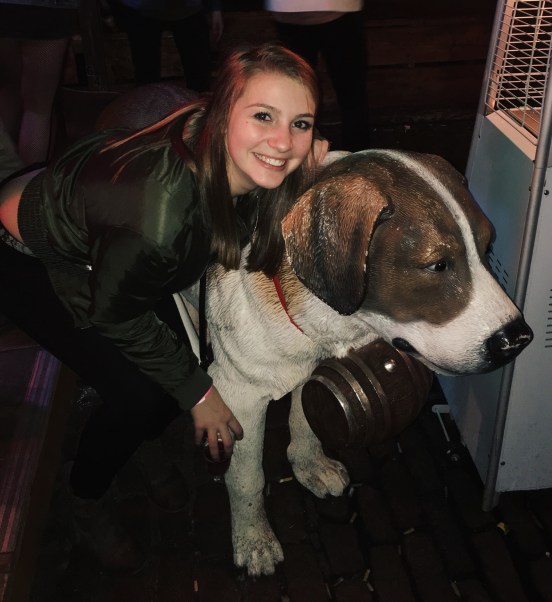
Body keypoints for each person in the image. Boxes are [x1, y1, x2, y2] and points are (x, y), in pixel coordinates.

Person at [0, 42, 328, 571]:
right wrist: (200, 394)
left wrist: (304, 172)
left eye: (301, 123)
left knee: (175, 369)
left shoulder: (233, 157)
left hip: (104, 233)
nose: (283, 141)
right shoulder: (162, 219)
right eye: (264, 116)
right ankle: (85, 496)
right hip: (33, 256)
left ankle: (137, 437)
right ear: (223, 112)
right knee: (144, 395)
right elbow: (117, 313)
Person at [266, 0, 369, 151]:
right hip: (335, 12)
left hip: (295, 14)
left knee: (297, 95)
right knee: (351, 95)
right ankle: (358, 155)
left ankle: (302, 152)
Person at [0, 0, 79, 166]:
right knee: (38, 109)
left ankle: (5, 175)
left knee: (8, 94)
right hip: (47, 8)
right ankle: (28, 179)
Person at [108, 0, 223, 91]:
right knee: (146, 80)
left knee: (199, 78)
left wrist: (215, 8)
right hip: (141, 11)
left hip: (189, 10)